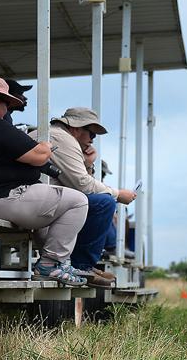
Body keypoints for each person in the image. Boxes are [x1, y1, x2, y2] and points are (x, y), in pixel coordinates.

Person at [0, 76, 107, 288]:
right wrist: (47, 146)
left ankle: (61, 263)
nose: (7, 110)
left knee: (52, 210)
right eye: (6, 103)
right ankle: (50, 264)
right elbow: (39, 155)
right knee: (78, 201)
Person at [45, 107, 134, 278]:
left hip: (38, 198)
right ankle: (82, 265)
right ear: (76, 128)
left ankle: (80, 263)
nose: (92, 139)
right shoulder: (63, 138)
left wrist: (88, 164)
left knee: (99, 201)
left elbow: (79, 184)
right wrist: (118, 194)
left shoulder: (60, 136)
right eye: (91, 133)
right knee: (104, 203)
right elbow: (83, 185)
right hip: (33, 200)